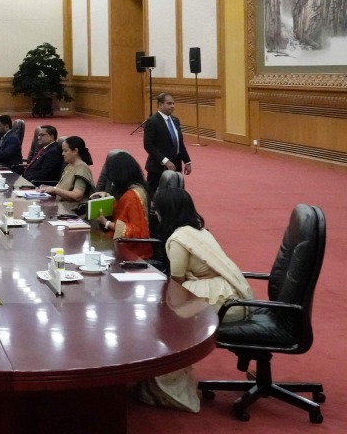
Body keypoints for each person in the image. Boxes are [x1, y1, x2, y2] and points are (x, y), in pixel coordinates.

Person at [135, 187, 255, 413]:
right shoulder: (198, 231)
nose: (154, 214)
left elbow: (176, 283)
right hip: (234, 297)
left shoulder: (178, 239)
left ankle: (169, 391)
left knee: (167, 316)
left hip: (226, 303)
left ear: (165, 211)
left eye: (156, 210)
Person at [90, 150, 152, 259]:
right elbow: (123, 209)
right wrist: (107, 196)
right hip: (122, 240)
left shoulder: (133, 196)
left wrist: (106, 223)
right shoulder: (133, 188)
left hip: (133, 248)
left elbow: (136, 231)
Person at [143, 92, 192, 197]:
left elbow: (179, 142)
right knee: (154, 197)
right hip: (157, 168)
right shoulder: (152, 121)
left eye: (173, 103)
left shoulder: (175, 120)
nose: (172, 106)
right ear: (160, 105)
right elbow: (148, 145)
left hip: (176, 166)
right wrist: (165, 161)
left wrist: (187, 161)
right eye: (169, 103)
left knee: (175, 196)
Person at [41, 135, 95, 202]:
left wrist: (55, 190)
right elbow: (60, 187)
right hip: (61, 205)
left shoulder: (82, 169)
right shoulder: (69, 166)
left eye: (65, 151)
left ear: (75, 151)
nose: (63, 154)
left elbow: (77, 195)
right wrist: (48, 188)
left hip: (71, 209)